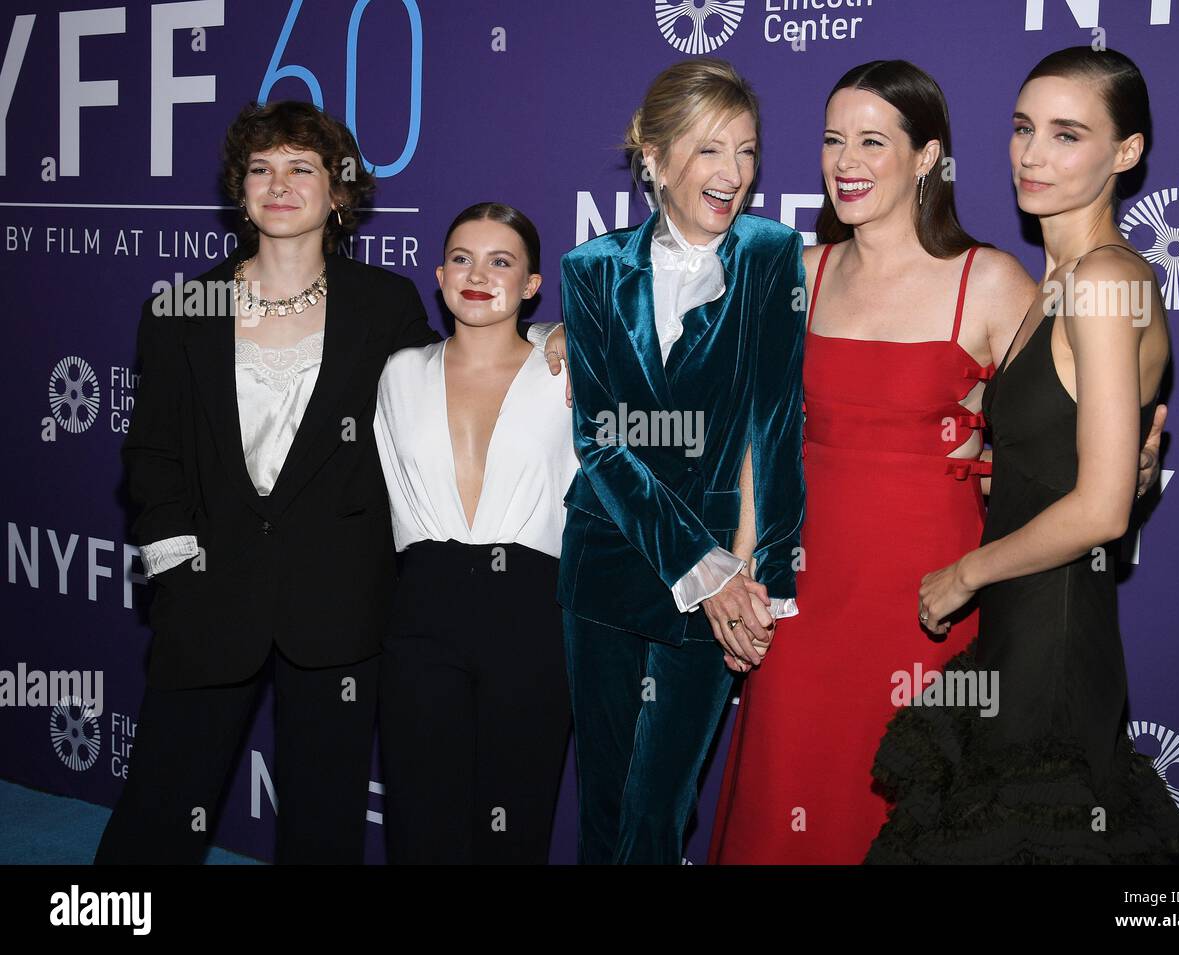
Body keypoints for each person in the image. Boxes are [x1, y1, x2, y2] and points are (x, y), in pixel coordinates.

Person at [710, 61, 1168, 865]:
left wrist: (1118, 478)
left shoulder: (1010, 281)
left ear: (926, 157)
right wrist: (572, 333)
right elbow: (742, 415)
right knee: (786, 792)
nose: (846, 159)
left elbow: (1076, 469)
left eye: (873, 141)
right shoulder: (799, 273)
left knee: (902, 808)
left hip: (937, 587)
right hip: (808, 592)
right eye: (832, 139)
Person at [866, 47, 1179, 864]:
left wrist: (964, 574)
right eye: (1022, 128)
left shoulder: (1103, 281)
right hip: (1022, 631)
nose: (1033, 154)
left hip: (1051, 638)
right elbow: (1076, 461)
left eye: (1067, 134)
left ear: (1126, 153)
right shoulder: (1058, 283)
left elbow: (1100, 506)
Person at [95, 100, 437, 864]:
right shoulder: (182, 307)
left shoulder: (385, 307)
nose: (278, 185)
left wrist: (550, 345)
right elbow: (151, 454)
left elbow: (443, 407)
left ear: (339, 193)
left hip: (340, 603)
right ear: (239, 189)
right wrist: (179, 567)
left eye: (300, 169)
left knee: (323, 821)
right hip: (208, 598)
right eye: (260, 169)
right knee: (158, 808)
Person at [558, 58, 806, 864]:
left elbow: (774, 425)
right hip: (604, 562)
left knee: (657, 810)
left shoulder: (770, 256)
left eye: (746, 151)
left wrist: (761, 581)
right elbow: (600, 439)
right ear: (654, 157)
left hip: (721, 580)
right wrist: (706, 568)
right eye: (709, 151)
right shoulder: (589, 271)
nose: (733, 174)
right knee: (603, 802)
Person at [373, 203, 574, 864]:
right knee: (419, 818)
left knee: (512, 824)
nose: (478, 274)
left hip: (534, 617)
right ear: (438, 274)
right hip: (421, 613)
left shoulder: (570, 371)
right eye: (462, 258)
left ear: (532, 285)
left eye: (501, 261)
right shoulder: (398, 374)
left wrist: (580, 335)